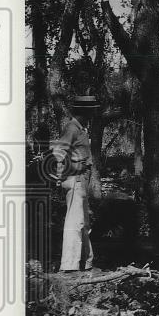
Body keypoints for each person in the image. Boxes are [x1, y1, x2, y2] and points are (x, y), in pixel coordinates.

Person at [50, 95, 99, 272]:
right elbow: (57, 152)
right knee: (74, 223)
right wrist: (71, 167)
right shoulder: (72, 128)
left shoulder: (80, 129)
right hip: (75, 179)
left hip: (81, 180)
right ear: (84, 111)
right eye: (91, 109)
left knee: (83, 223)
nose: (93, 112)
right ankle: (69, 266)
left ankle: (86, 262)